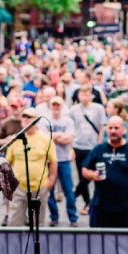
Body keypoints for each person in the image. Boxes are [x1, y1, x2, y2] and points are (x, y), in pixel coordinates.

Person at [82, 116, 128, 228]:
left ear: (124, 130)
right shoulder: (98, 149)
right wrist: (93, 175)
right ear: (106, 129)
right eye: (110, 128)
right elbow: (84, 170)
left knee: (126, 243)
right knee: (100, 242)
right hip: (101, 207)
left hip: (126, 208)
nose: (113, 131)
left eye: (116, 128)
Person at [5, 108, 57, 226]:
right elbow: (8, 162)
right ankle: (16, 244)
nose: (25, 119)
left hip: (40, 186)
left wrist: (51, 181)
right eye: (23, 117)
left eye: (29, 117)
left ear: (36, 120)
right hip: (18, 187)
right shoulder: (15, 138)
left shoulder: (45, 139)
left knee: (38, 223)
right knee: (14, 222)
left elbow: (53, 161)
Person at [41, 97, 78, 227]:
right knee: (49, 188)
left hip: (64, 159)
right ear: (50, 106)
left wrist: (53, 136)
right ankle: (54, 216)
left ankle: (73, 217)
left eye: (58, 105)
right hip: (49, 160)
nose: (56, 107)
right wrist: (59, 136)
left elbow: (68, 138)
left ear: (62, 106)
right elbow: (44, 138)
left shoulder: (67, 121)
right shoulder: (45, 120)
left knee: (68, 190)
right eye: (54, 105)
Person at [70, 85, 106, 215]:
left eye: (87, 94)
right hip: (78, 145)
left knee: (93, 175)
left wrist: (100, 144)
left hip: (93, 146)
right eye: (82, 95)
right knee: (81, 175)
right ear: (78, 95)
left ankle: (75, 194)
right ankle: (87, 202)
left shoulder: (98, 108)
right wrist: (71, 148)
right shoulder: (73, 109)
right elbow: (71, 128)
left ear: (91, 95)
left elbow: (102, 127)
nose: (84, 97)